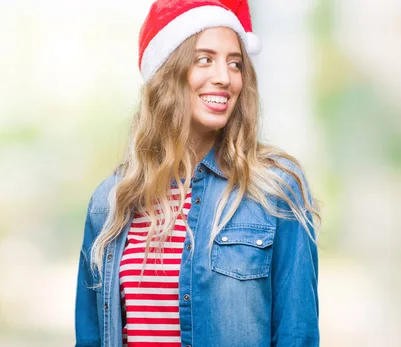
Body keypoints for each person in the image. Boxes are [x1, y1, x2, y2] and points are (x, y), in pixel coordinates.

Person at [74, 1, 321, 346]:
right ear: (167, 71)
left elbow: (298, 334)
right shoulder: (110, 203)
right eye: (204, 59)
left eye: (235, 63)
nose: (224, 77)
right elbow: (92, 338)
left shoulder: (276, 189)